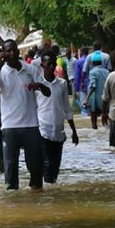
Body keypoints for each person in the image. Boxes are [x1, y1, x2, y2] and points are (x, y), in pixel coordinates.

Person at [0, 39, 51, 190]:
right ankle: (13, 203)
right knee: (10, 170)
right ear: (3, 53)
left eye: (14, 49)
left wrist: (40, 86)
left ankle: (36, 198)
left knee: (36, 167)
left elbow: (48, 92)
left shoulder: (31, 69)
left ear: (18, 50)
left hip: (31, 125)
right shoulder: (1, 72)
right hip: (9, 127)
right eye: (7, 51)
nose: (12, 53)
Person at [37, 50, 79, 184]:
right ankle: (47, 194)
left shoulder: (62, 84)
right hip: (42, 130)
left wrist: (74, 131)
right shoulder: (37, 84)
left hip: (59, 131)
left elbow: (66, 108)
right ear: (42, 65)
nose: (51, 67)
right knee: (47, 163)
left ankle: (51, 190)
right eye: (48, 64)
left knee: (55, 166)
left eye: (53, 64)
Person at [83, 52, 110, 130]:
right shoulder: (107, 72)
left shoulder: (92, 72)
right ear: (101, 62)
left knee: (94, 123)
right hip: (106, 100)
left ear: (92, 63)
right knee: (107, 123)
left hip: (95, 100)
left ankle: (94, 128)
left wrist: (87, 98)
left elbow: (93, 86)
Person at [73, 46, 90, 115]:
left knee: (84, 105)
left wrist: (76, 88)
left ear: (81, 53)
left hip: (82, 86)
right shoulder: (91, 60)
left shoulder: (79, 62)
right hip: (91, 85)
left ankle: (85, 116)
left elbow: (77, 76)